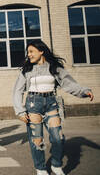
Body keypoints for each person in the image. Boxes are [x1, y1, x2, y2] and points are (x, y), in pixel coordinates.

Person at [13, 40, 94, 175]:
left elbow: (68, 83)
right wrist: (20, 111)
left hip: (51, 104)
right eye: (28, 52)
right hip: (33, 106)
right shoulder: (26, 70)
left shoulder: (54, 67)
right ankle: (41, 168)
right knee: (37, 140)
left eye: (32, 51)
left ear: (41, 51)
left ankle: (56, 164)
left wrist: (83, 91)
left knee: (58, 138)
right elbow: (17, 91)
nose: (29, 55)